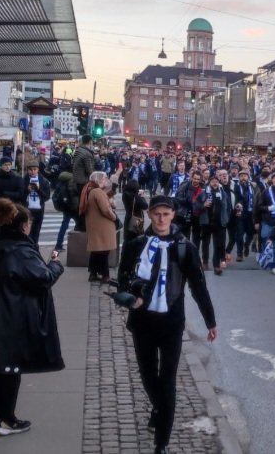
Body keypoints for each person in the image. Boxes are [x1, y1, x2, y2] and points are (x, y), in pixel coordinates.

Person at [116, 195, 217, 454]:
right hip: (143, 321)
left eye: (166, 214)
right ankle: (159, 408)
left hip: (171, 322)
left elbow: (198, 286)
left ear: (173, 215)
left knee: (167, 379)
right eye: (157, 214)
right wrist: (131, 299)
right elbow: (123, 281)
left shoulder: (184, 247)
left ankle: (162, 441)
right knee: (148, 375)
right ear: (149, 214)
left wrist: (210, 320)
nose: (161, 219)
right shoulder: (135, 245)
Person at [0, 198, 65, 436]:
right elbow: (43, 278)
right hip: (11, 312)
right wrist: (56, 264)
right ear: (24, 225)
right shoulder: (19, 250)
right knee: (9, 366)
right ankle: (7, 419)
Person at [81, 171, 118, 283]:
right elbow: (106, 209)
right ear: (99, 180)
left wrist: (112, 191)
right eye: (105, 178)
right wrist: (114, 217)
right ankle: (105, 275)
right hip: (102, 225)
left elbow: (104, 198)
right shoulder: (98, 191)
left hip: (95, 224)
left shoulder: (91, 189)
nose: (106, 180)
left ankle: (93, 273)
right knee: (103, 251)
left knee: (97, 250)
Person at [22, 161, 51, 245]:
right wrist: (27, 190)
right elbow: (20, 196)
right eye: (30, 170)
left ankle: (34, 250)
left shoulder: (44, 181)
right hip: (27, 211)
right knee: (26, 234)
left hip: (38, 211)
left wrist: (38, 190)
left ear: (38, 169)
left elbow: (46, 197)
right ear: (27, 170)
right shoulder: (24, 180)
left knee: (36, 234)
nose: (33, 171)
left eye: (35, 169)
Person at [121, 180, 148, 244]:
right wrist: (142, 197)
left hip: (128, 217)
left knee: (127, 238)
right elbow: (145, 206)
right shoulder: (136, 197)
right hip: (136, 219)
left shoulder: (125, 195)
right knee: (137, 238)